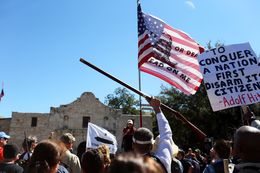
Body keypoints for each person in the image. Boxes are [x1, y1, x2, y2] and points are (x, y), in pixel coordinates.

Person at [132, 97, 173, 173]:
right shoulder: (163, 161)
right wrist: (157, 108)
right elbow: (166, 133)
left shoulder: (126, 167)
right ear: (151, 146)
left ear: (133, 145)